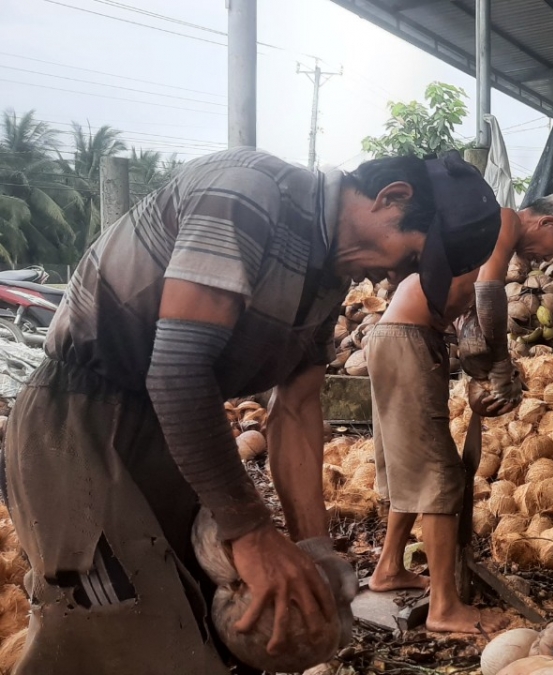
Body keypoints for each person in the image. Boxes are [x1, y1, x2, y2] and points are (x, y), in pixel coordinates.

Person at [2, 148, 503, 674]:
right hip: (79, 420)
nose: (393, 275)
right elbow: (177, 369)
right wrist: (252, 531)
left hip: (169, 428)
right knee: (110, 629)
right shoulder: (249, 194)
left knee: (197, 615)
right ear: (392, 197)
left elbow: (298, 409)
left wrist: (316, 552)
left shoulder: (330, 274)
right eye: (410, 256)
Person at [364, 194, 553, 633]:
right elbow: (487, 296)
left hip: (397, 335)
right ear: (541, 221)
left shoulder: (478, 233)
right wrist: (501, 363)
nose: (549, 258)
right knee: (439, 475)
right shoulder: (502, 220)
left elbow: (468, 327)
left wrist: (481, 378)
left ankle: (389, 567)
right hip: (406, 337)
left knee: (413, 469)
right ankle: (445, 608)